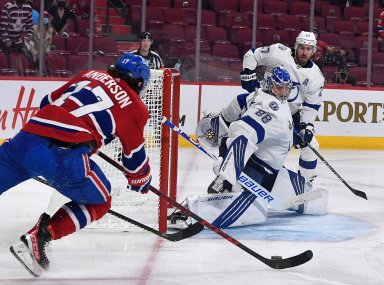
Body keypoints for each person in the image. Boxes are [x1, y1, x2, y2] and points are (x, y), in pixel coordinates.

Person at [1, 53, 152, 277]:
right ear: (139, 83)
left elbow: (46, 102)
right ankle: (42, 235)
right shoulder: (136, 107)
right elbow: (136, 168)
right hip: (64, 157)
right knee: (100, 201)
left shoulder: (91, 74)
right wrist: (143, 182)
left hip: (27, 139)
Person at [168, 66, 327, 228]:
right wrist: (226, 177)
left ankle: (231, 189)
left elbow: (240, 102)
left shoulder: (264, 97)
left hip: (273, 174)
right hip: (252, 173)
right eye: (280, 87)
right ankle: (188, 211)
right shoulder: (268, 111)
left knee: (315, 202)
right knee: (253, 212)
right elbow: (243, 134)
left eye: (287, 88)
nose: (284, 92)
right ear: (268, 85)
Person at [240, 31, 324, 182]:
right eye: (302, 47)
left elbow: (311, 106)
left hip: (288, 116)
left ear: (314, 51)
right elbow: (252, 54)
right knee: (245, 134)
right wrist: (248, 73)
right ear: (296, 46)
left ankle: (305, 185)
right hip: (262, 106)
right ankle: (230, 172)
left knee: (312, 146)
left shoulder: (316, 76)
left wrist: (307, 126)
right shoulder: (279, 52)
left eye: (308, 49)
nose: (304, 52)